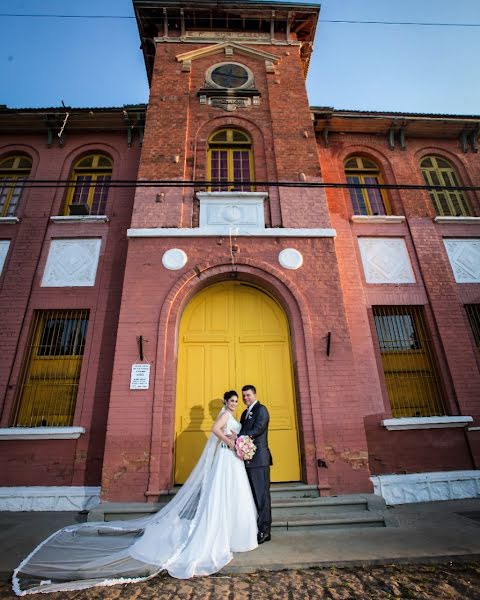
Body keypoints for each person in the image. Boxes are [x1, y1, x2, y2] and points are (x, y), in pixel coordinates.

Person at [12, 391, 258, 596]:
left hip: (232, 461)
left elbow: (228, 432)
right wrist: (229, 441)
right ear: (225, 402)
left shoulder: (233, 416)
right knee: (222, 496)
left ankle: (232, 532)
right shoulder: (225, 415)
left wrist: (236, 440)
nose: (235, 404)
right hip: (227, 459)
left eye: (237, 401)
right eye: (232, 400)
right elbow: (216, 430)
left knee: (231, 496)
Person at [239, 384, 272, 544]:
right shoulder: (245, 413)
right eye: (244, 396)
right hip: (247, 459)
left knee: (262, 496)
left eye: (248, 395)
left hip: (259, 459)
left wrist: (239, 437)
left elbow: (258, 429)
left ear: (255, 394)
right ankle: (256, 527)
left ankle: (265, 531)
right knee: (253, 496)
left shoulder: (261, 410)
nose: (246, 398)